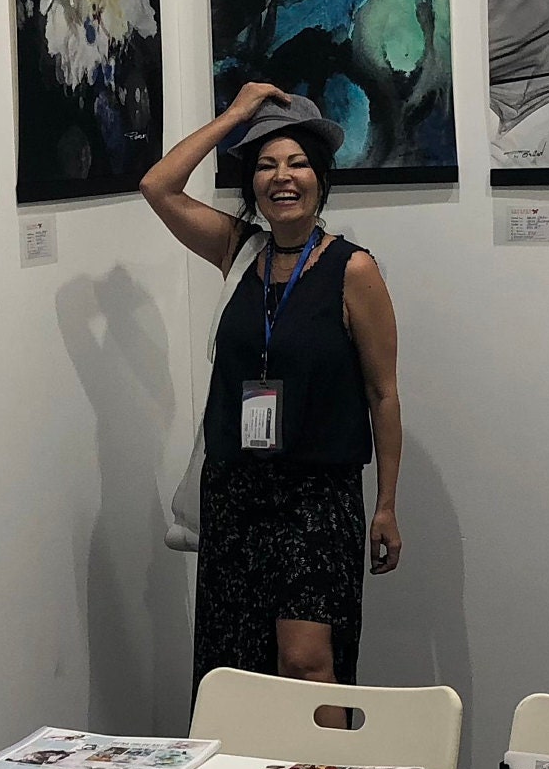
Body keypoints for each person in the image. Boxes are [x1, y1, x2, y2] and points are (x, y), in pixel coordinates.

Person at [141, 83, 401, 695]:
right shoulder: (239, 251)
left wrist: (386, 505)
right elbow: (158, 186)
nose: (282, 178)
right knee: (236, 671)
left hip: (317, 496)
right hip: (236, 493)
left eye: (297, 163)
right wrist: (235, 115)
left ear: (320, 178)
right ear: (251, 183)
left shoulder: (352, 269)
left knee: (307, 664)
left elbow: (383, 394)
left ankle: (322, 763)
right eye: (265, 165)